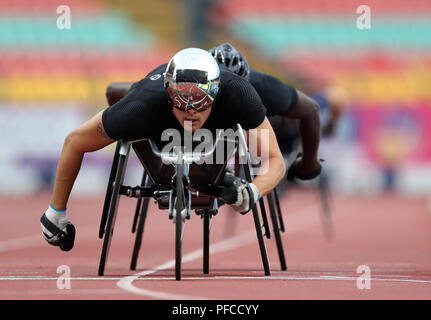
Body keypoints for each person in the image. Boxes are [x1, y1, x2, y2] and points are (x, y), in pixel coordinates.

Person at [40, 48, 288, 252]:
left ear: (216, 91)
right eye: (181, 99)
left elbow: (275, 161)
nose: (191, 110)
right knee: (129, 113)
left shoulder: (240, 94)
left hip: (218, 135)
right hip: (156, 121)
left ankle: (223, 177)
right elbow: (75, 141)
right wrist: (55, 212)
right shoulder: (142, 104)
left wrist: (252, 192)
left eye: (200, 100)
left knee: (232, 153)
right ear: (168, 93)